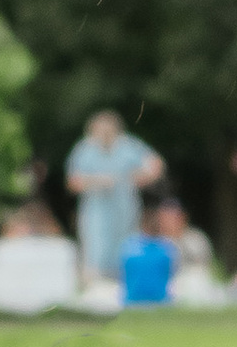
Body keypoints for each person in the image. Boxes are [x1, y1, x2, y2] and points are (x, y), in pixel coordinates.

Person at [67, 110, 165, 284]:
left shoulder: (129, 146)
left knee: (126, 249)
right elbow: (73, 182)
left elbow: (156, 165)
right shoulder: (84, 149)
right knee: (95, 250)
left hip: (125, 211)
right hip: (96, 212)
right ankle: (94, 287)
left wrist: (141, 176)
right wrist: (96, 181)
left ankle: (126, 288)